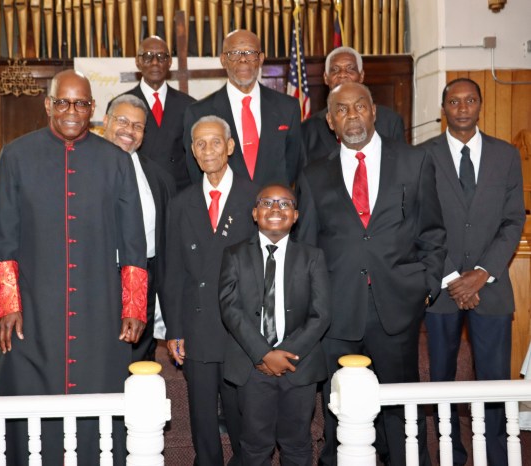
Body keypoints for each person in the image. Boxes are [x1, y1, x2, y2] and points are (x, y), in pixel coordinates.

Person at [0, 70, 148, 465]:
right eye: (62, 102)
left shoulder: (116, 160)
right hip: (34, 306)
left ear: (92, 109)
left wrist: (134, 305)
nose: (71, 111)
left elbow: (133, 241)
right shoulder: (16, 154)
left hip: (99, 306)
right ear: (48, 105)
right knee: (28, 404)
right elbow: (2, 234)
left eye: (80, 103)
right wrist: (7, 302)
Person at [297, 82, 445, 466]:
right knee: (338, 406)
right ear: (330, 121)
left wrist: (424, 288)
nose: (352, 116)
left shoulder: (414, 161)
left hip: (397, 304)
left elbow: (432, 232)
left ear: (374, 111)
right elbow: (308, 249)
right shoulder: (313, 175)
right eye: (341, 110)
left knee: (400, 409)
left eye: (359, 106)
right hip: (337, 309)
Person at [421, 78, 526, 466]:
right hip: (441, 288)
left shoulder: (505, 155)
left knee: (495, 379)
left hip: (491, 287)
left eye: (469, 101)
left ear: (480, 105)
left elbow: (513, 220)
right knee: (442, 379)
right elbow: (421, 223)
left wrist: (482, 272)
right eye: (454, 101)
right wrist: (452, 278)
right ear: (443, 108)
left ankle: (497, 455)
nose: (462, 107)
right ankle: (452, 453)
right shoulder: (423, 156)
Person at [164, 116, 259, 465]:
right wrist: (174, 329)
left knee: (242, 416)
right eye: (200, 144)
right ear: (192, 151)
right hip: (197, 324)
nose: (208, 150)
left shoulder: (256, 197)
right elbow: (172, 272)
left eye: (216, 142)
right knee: (203, 418)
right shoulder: (181, 203)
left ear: (231, 147)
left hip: (242, 330)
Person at [219, 184, 330, 465]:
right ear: (255, 213)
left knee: (297, 444)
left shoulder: (312, 257)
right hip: (251, 365)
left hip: (299, 364)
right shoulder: (234, 255)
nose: (276, 209)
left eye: (285, 204)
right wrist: (264, 354)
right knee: (255, 446)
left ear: (296, 216)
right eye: (267, 203)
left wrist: (285, 355)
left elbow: (321, 315)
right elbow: (230, 309)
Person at [103, 94, 176, 362]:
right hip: (97, 281)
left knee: (140, 360)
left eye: (137, 126)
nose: (129, 131)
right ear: (106, 121)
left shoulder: (160, 178)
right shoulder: (81, 168)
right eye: (122, 121)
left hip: (145, 278)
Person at [183, 29, 305, 187]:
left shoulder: (288, 107)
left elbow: (293, 164)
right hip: (225, 209)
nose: (243, 59)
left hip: (273, 208)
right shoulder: (198, 113)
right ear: (223, 60)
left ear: (260, 59)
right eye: (234, 53)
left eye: (250, 52)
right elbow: (196, 174)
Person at [109, 36, 196, 190]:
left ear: (169, 62)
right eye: (148, 56)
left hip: (178, 192)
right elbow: (112, 156)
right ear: (138, 62)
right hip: (135, 189)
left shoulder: (189, 105)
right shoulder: (120, 105)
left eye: (161, 57)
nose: (155, 62)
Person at [301, 46, 405, 164]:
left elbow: (400, 167)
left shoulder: (391, 121)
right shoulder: (308, 130)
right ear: (326, 78)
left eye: (350, 69)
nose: (342, 74)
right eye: (335, 69)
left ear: (361, 76)